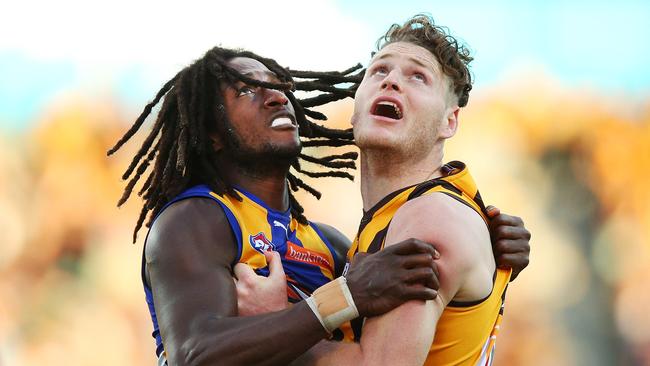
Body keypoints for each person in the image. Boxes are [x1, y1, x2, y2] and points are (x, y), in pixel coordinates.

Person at [108, 45, 529, 365]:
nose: (275, 98)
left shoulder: (331, 243)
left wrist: (487, 247)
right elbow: (194, 354)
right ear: (212, 133)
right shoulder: (194, 220)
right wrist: (341, 298)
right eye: (247, 90)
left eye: (277, 87)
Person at [239, 15, 531, 366]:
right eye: (379, 71)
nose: (391, 81)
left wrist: (272, 323)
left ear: (448, 122)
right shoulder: (401, 214)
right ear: (355, 108)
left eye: (418, 76)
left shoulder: (429, 215)